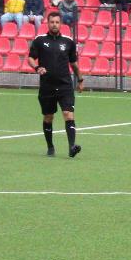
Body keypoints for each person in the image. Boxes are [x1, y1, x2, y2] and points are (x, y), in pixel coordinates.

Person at [28, 11, 84, 158]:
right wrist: (37, 67)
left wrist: (80, 79)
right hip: (47, 86)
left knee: (68, 114)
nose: (54, 24)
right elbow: (31, 59)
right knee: (48, 117)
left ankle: (72, 146)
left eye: (57, 22)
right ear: (48, 23)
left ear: (61, 24)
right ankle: (50, 147)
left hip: (65, 85)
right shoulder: (39, 40)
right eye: (52, 22)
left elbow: (74, 64)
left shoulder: (68, 42)